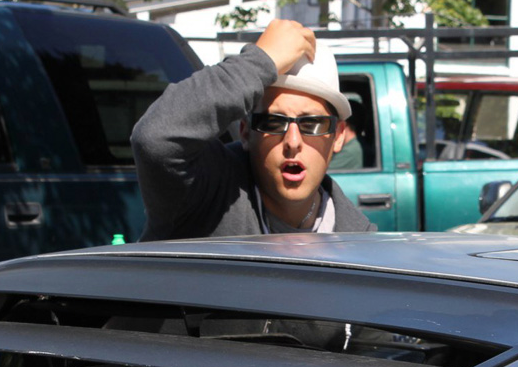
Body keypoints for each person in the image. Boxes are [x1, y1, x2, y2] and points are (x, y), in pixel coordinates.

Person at [131, 19, 377, 240]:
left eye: (311, 124)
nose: (293, 142)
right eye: (273, 122)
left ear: (338, 136)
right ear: (246, 132)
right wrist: (258, 62)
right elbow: (155, 138)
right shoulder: (204, 194)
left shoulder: (359, 242)